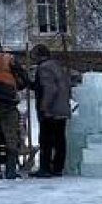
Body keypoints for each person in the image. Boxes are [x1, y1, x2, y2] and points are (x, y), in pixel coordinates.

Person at [0, 37, 29, 180]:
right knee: (11, 139)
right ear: (0, 47)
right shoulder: (9, 58)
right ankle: (10, 172)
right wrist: (16, 84)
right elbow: (24, 79)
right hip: (8, 105)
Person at [31, 44, 72, 178]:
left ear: (39, 55)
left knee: (46, 140)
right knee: (60, 139)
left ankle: (45, 168)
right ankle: (58, 168)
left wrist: (44, 106)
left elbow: (49, 89)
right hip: (62, 108)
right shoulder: (58, 66)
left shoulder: (44, 68)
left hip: (51, 110)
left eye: (33, 56)